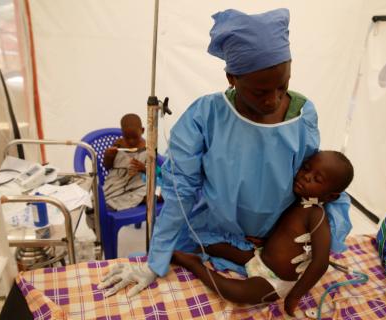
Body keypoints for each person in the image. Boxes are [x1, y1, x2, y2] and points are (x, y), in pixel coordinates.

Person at [97, 8, 352, 300]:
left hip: (275, 240)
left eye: (283, 86)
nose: (274, 99)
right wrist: (155, 263)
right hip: (220, 233)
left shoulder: (302, 115)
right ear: (232, 77)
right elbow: (181, 191)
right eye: (260, 92)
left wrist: (284, 234)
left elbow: (307, 181)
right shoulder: (206, 117)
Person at [171, 151, 354, 316]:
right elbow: (288, 232)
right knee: (215, 246)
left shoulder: (317, 216)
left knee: (233, 292)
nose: (306, 176)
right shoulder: (297, 201)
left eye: (317, 179)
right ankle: (191, 250)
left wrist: (295, 296)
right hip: (259, 258)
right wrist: (266, 239)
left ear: (331, 196)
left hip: (276, 281)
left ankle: (194, 265)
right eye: (306, 168)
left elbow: (320, 263)